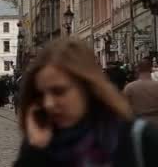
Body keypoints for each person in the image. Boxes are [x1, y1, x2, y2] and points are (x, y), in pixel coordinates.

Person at [13, 39, 158, 167]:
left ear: (87, 87)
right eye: (40, 95)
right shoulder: (40, 142)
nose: (48, 104)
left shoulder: (137, 138)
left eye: (59, 91)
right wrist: (35, 151)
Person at [124, 59, 158, 127]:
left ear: (137, 70)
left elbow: (125, 108)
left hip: (138, 124)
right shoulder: (156, 86)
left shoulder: (129, 87)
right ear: (151, 69)